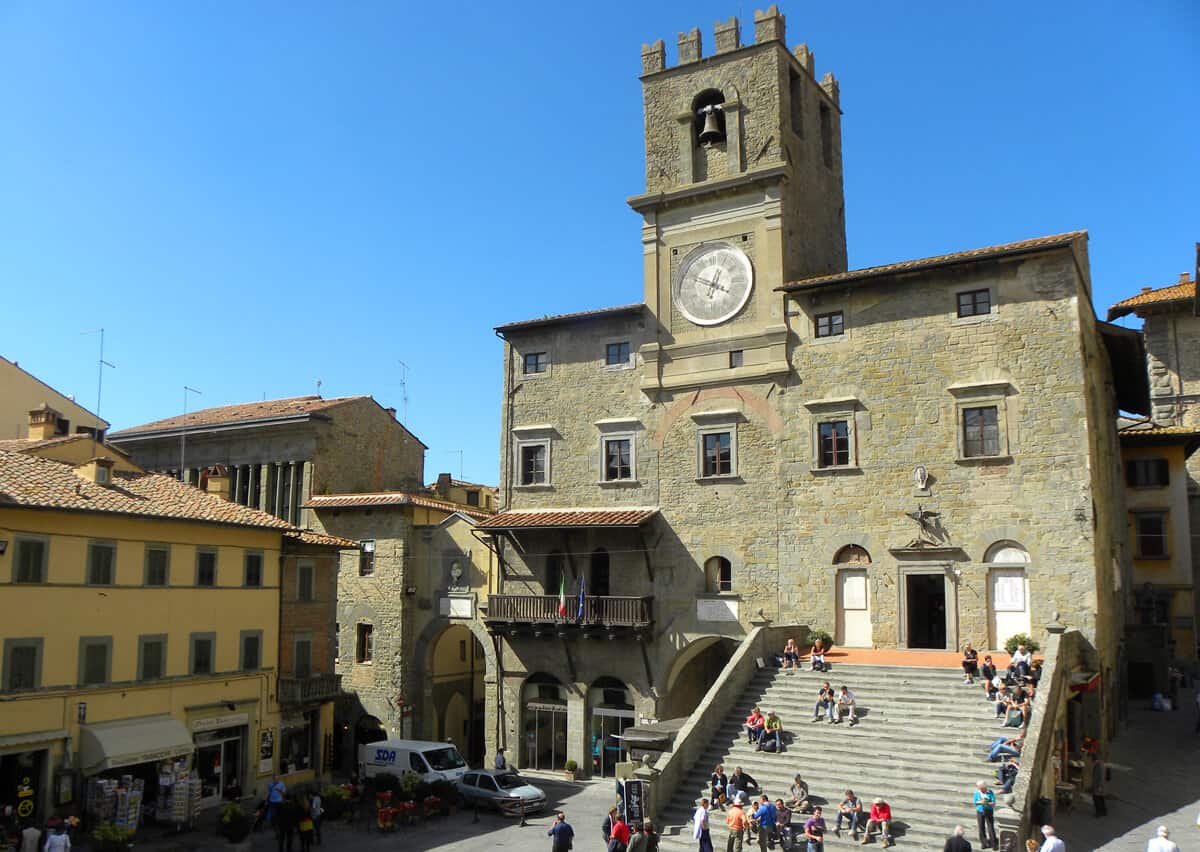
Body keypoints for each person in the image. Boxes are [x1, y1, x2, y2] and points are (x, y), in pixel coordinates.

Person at [973, 781, 996, 849]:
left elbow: (993, 802)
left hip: (988, 810)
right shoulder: (977, 793)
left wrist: (987, 803)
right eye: (979, 788)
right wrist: (981, 802)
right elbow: (975, 802)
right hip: (980, 811)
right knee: (981, 827)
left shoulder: (990, 792)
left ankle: (993, 843)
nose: (980, 789)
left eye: (981, 788)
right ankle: (984, 843)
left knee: (990, 827)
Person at [1090, 751, 1107, 816]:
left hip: (1098, 786)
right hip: (1099, 785)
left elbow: (1101, 777)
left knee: (1096, 799)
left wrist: (1099, 786)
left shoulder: (1099, 766)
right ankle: (1104, 811)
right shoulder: (1100, 764)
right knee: (1101, 798)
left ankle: (1099, 812)